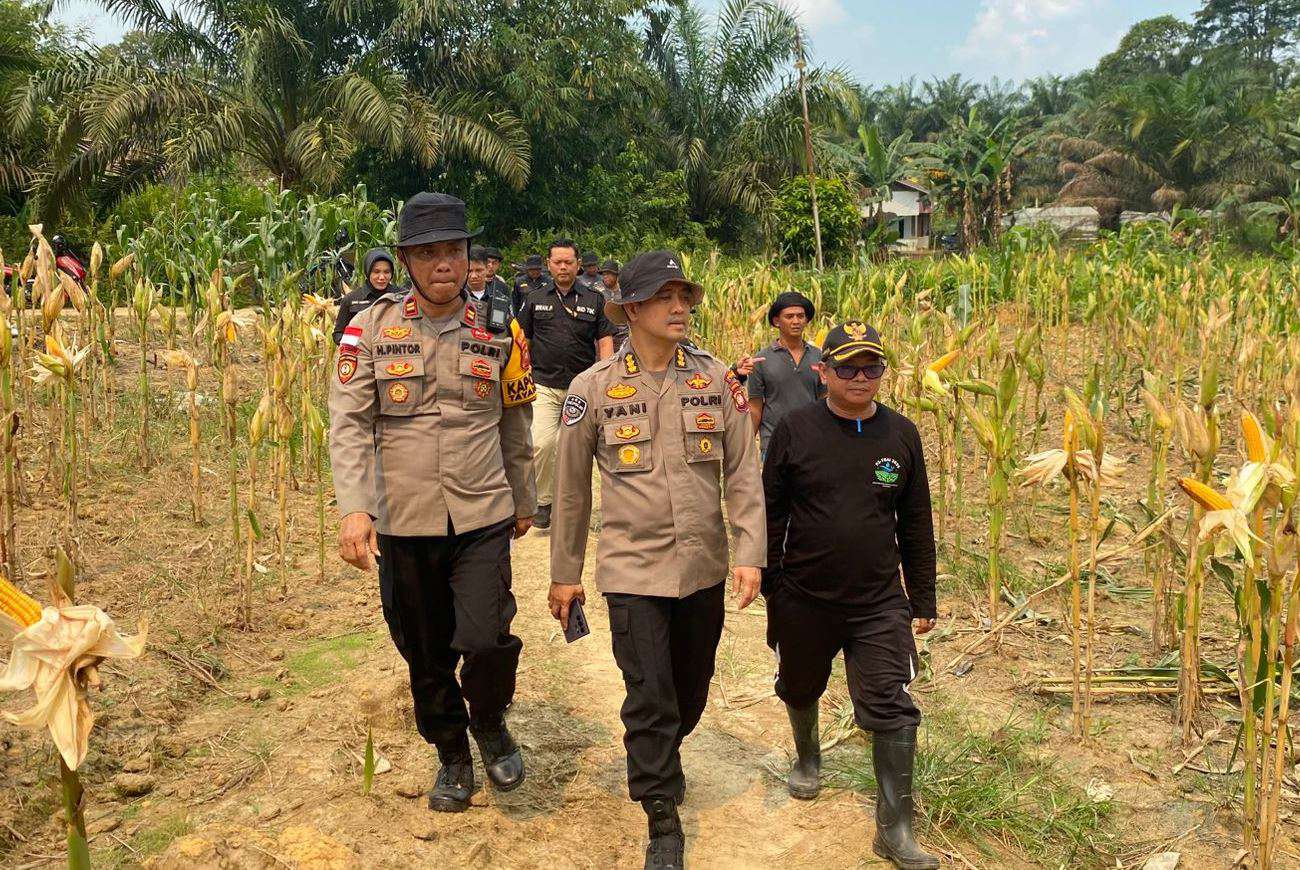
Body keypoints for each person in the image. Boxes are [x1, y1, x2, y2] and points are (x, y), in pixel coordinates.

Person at [549, 250, 766, 870]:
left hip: (702, 568)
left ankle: (664, 755)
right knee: (649, 696)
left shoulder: (715, 379)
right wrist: (565, 576)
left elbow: (742, 472)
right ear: (633, 309)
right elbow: (571, 490)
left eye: (684, 297)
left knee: (688, 694)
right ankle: (661, 812)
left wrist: (750, 552)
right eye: (665, 298)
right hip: (632, 570)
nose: (680, 308)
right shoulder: (593, 389)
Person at [329, 192, 538, 815]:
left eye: (453, 249)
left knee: (488, 638)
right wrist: (355, 508)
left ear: (469, 255)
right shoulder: (369, 328)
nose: (443, 262)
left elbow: (515, 421)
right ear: (405, 260)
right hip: (404, 516)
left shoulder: (500, 328)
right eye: (427, 252)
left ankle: (490, 718)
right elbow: (349, 423)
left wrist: (524, 497)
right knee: (423, 649)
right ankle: (451, 752)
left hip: (482, 510)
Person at [762, 321, 939, 870]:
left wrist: (923, 597)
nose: (860, 378)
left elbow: (916, 521)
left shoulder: (901, 434)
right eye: (847, 368)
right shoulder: (795, 429)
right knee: (800, 684)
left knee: (892, 704)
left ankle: (895, 828)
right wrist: (771, 585)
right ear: (824, 372)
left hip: (878, 601)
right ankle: (808, 757)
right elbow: (770, 512)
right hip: (805, 595)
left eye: (871, 367)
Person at [516, 239, 615, 530]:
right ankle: (544, 501)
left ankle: (575, 505)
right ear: (549, 265)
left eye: (568, 262)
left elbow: (605, 341)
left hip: (581, 387)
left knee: (576, 449)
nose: (563, 267)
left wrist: (605, 376)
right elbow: (523, 341)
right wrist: (521, 375)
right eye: (557, 262)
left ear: (578, 264)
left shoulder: (594, 299)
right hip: (543, 383)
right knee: (542, 443)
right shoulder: (534, 298)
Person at [744, 291, 823, 455]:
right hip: (774, 445)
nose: (796, 321)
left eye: (800, 316)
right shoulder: (761, 360)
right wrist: (745, 449)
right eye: (789, 316)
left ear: (806, 320)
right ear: (776, 321)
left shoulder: (819, 357)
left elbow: (826, 401)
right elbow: (755, 408)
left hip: (812, 443)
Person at [332, 248, 396, 344]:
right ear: (368, 272)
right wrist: (356, 345)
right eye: (376, 272)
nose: (382, 277)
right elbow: (338, 334)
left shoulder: (401, 296)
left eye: (386, 272)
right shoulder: (351, 299)